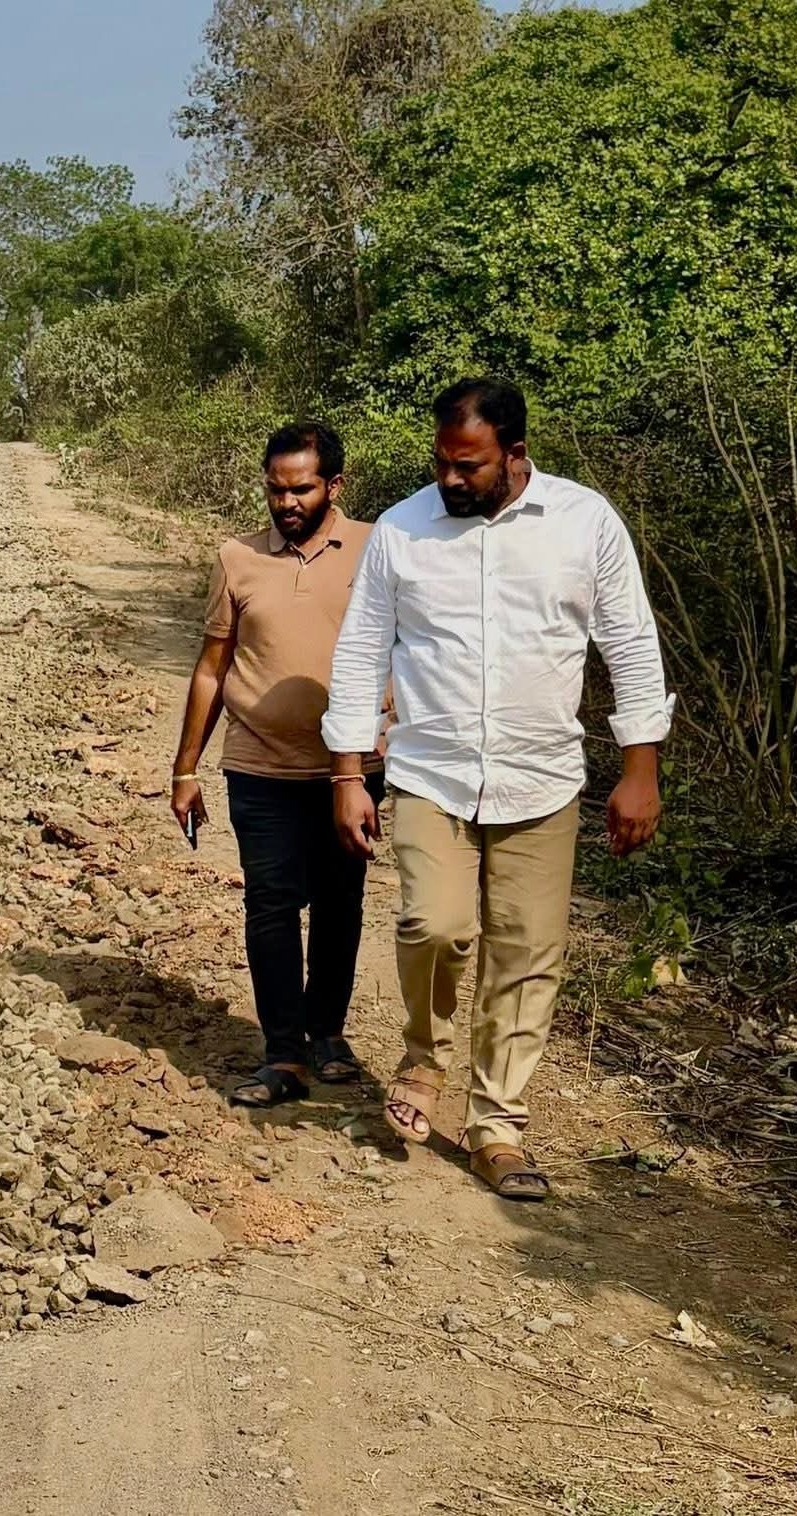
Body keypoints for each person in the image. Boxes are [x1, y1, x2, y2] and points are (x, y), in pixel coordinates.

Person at [322, 378, 670, 1201]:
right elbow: (361, 649)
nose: (449, 480)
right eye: (441, 463)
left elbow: (631, 643)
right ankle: (421, 1057)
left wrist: (640, 769)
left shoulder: (585, 524)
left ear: (514, 453)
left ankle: (497, 1125)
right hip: (430, 772)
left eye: (467, 465)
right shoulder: (403, 531)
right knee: (434, 925)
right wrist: (347, 772)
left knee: (526, 954)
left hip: (541, 777)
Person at [170, 421, 386, 1109]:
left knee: (340, 902)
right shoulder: (238, 558)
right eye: (275, 489)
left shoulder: (376, 548)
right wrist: (185, 770)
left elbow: (413, 647)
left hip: (351, 771)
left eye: (302, 489)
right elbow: (212, 667)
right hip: (258, 764)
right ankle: (284, 1052)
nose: (287, 502)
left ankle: (328, 1033)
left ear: (335, 486)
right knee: (269, 903)